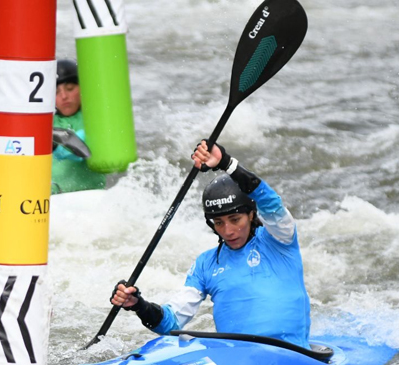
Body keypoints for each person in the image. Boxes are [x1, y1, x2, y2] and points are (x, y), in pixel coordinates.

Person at [110, 141, 312, 348]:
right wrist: (139, 305)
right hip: (237, 359)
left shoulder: (279, 239)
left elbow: (270, 202)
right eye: (219, 223)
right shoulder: (206, 264)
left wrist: (227, 163)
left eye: (235, 219)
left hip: (294, 355)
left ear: (251, 214)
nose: (228, 231)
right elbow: (171, 323)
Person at [51, 59, 106, 195]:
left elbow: (83, 149)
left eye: (70, 89)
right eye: (56, 92)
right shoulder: (46, 122)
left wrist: (54, 146)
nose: (64, 96)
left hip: (92, 197)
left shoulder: (95, 118)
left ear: (82, 88)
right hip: (54, 200)